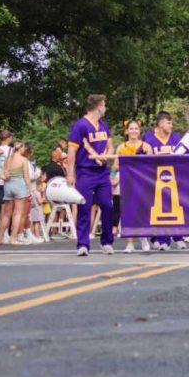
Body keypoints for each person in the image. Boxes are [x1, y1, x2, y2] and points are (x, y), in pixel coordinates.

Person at [66, 94, 116, 256]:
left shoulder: (103, 125)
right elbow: (71, 151)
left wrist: (106, 155)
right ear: (99, 106)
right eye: (104, 105)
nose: (106, 108)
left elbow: (111, 147)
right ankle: (83, 244)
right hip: (85, 172)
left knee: (107, 205)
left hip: (102, 173)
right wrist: (70, 174)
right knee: (84, 207)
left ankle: (107, 242)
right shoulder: (80, 126)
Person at [143, 111, 186, 250]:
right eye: (169, 123)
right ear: (161, 123)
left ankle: (177, 236)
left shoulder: (176, 137)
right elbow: (142, 158)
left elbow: (183, 156)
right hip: (154, 179)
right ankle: (160, 237)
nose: (171, 125)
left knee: (174, 207)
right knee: (158, 209)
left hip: (173, 178)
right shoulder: (148, 138)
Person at [115, 120, 153, 253]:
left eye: (136, 128)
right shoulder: (121, 147)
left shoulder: (147, 146)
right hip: (127, 183)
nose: (134, 131)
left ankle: (143, 237)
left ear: (139, 130)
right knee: (128, 211)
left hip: (142, 183)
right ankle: (129, 242)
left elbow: (151, 166)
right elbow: (115, 166)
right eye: (131, 129)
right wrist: (113, 177)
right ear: (127, 131)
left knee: (142, 210)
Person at [0, 142, 33, 245]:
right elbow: (26, 176)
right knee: (17, 213)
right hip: (19, 185)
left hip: (8, 185)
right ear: (20, 149)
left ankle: (0, 238)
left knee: (6, 214)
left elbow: (3, 173)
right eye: (24, 147)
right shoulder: (23, 160)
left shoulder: (8, 159)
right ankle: (13, 238)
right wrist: (30, 190)